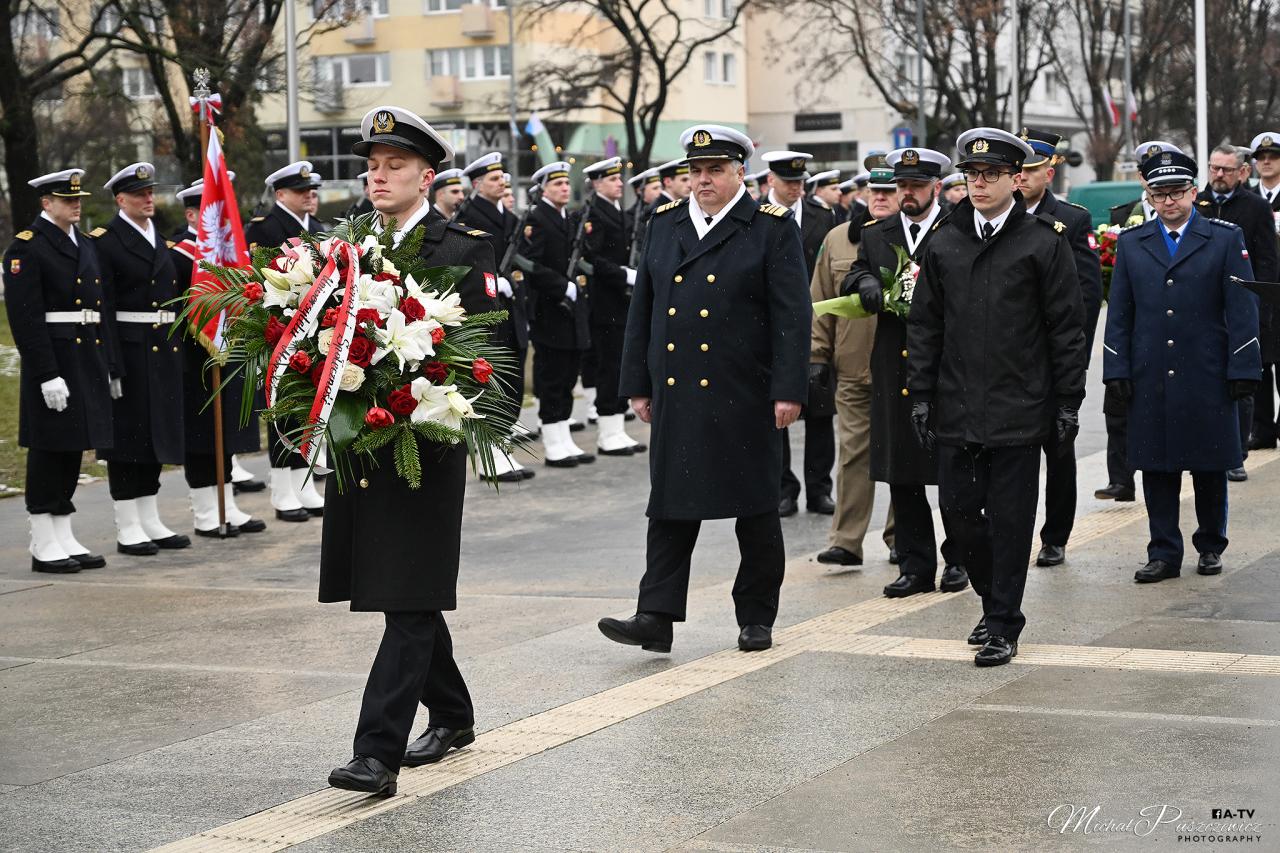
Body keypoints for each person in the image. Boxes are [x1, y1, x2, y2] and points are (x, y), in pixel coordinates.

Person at [324, 105, 499, 797]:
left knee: (407, 594)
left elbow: (489, 349)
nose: (379, 176)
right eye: (372, 165)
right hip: (362, 443)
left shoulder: (462, 247)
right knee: (405, 591)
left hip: (425, 443)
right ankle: (452, 714)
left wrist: (465, 417)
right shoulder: (350, 245)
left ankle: (376, 753)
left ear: (427, 177)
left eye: (395, 165)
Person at [598, 124, 810, 654]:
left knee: (756, 509)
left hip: (745, 391)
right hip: (679, 391)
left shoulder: (769, 227)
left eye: (715, 169)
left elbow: (792, 316)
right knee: (670, 506)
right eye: (695, 171)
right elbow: (643, 310)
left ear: (741, 172)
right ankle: (655, 615)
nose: (703, 180)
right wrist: (637, 383)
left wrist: (789, 389)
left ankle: (756, 616)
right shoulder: (665, 222)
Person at [908, 127, 1086, 667]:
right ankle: (992, 600)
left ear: (1015, 179)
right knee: (959, 515)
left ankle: (1004, 622)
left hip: (1019, 407)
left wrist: (1068, 400)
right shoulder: (945, 241)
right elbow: (926, 325)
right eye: (972, 174)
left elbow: (1066, 328)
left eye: (991, 175)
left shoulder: (1042, 242)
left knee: (1011, 521)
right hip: (957, 405)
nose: (979, 183)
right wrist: (921, 393)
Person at [1103, 149, 1260, 584]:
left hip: (1207, 372)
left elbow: (1242, 309)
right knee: (1157, 467)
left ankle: (1210, 545)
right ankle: (1163, 552)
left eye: (1176, 192)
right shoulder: (1133, 243)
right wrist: (1116, 369)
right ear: (1149, 196)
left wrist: (1244, 368)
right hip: (1151, 372)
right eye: (1160, 194)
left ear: (1193, 192)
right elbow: (1120, 314)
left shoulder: (1224, 238)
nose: (1169, 202)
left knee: (1210, 465)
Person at [844, 148, 968, 597]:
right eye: (902, 187)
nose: (907, 194)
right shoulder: (878, 233)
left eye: (916, 186)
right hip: (894, 366)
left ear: (936, 187)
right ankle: (915, 566)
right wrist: (865, 282)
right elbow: (855, 272)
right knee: (903, 472)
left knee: (953, 470)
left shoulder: (958, 226)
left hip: (947, 366)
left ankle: (960, 558)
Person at [4, 168, 114, 573]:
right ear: (46, 203)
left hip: (84, 356)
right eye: (68, 200)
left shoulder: (83, 242)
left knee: (73, 445)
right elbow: (26, 319)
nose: (76, 205)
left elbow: (98, 307)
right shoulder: (27, 248)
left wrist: (107, 364)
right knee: (49, 447)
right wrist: (46, 373)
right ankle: (42, 538)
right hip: (54, 360)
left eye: (78, 199)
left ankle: (62, 531)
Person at [1014, 129, 1104, 568]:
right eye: (1017, 170)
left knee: (1058, 449)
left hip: (1053, 361)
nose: (1021, 178)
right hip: (1010, 359)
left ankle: (1055, 535)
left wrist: (1073, 364)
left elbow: (1086, 296)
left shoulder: (1071, 219)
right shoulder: (999, 214)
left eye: (1030, 170)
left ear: (1049, 173)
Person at [93, 163, 189, 555]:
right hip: (129, 349)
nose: (148, 199)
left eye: (150, 192)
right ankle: (127, 522)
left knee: (156, 435)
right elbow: (103, 307)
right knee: (127, 438)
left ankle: (149, 516)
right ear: (121, 200)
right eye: (139, 194)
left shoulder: (158, 239)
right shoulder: (106, 242)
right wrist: (110, 364)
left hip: (162, 348)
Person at [172, 181, 267, 537]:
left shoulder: (229, 254)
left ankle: (226, 501)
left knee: (225, 430)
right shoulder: (180, 255)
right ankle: (204, 509)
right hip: (194, 356)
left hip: (228, 351)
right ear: (192, 215)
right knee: (201, 434)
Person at [809, 172, 884, 568]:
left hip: (905, 369)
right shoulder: (838, 239)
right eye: (876, 190)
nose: (882, 197)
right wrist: (817, 355)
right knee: (853, 454)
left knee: (903, 457)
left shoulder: (919, 237)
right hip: (853, 365)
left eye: (892, 190)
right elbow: (821, 298)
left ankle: (902, 537)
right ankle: (847, 541)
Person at [246, 160, 324, 521]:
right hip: (279, 327)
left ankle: (303, 482)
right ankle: (281, 488)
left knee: (308, 405)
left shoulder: (317, 228)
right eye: (300, 190)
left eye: (312, 190)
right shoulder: (264, 228)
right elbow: (256, 281)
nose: (309, 195)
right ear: (280, 194)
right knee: (281, 406)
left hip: (313, 327)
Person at [1196, 143, 1277, 482]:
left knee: (1242, 381)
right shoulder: (1195, 203)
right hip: (1202, 308)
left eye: (1226, 169)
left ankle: (1236, 452)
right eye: (1214, 168)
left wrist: (1262, 307)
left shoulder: (1256, 207)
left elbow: (1267, 261)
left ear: (1242, 172)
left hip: (1242, 306)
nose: (1218, 175)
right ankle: (1206, 447)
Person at [762, 149, 836, 517]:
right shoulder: (757, 217)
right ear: (770, 180)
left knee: (820, 413)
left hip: (816, 325)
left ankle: (819, 489)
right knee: (776, 413)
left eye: (800, 182)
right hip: (770, 328)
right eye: (788, 182)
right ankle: (782, 489)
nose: (796, 188)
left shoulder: (823, 217)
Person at [457, 152, 532, 483]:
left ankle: (502, 444)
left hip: (511, 306)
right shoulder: (468, 216)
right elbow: (464, 262)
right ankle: (489, 452)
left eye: (502, 176)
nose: (502, 182)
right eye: (493, 178)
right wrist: (488, 277)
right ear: (477, 184)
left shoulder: (509, 217)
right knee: (491, 378)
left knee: (513, 374)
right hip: (484, 309)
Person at [521, 161, 595, 466]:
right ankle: (553, 443)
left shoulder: (567, 218)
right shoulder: (537, 218)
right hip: (549, 309)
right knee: (552, 376)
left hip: (570, 309)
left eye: (566, 183)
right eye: (557, 184)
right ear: (543, 190)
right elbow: (530, 264)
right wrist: (561, 285)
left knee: (567, 376)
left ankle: (564, 436)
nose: (565, 188)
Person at [582, 156, 645, 456]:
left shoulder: (617, 210)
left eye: (619, 178)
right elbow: (591, 260)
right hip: (605, 302)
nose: (620, 183)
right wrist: (623, 274)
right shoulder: (593, 213)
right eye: (612, 179)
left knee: (621, 364)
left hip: (621, 300)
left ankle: (618, 428)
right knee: (609, 366)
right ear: (597, 184)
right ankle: (607, 432)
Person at [1247, 131, 1280, 448]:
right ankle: (1262, 429)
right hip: (1258, 289)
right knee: (1258, 362)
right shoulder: (1248, 199)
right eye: (1261, 157)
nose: (1267, 162)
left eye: (1273, 157)